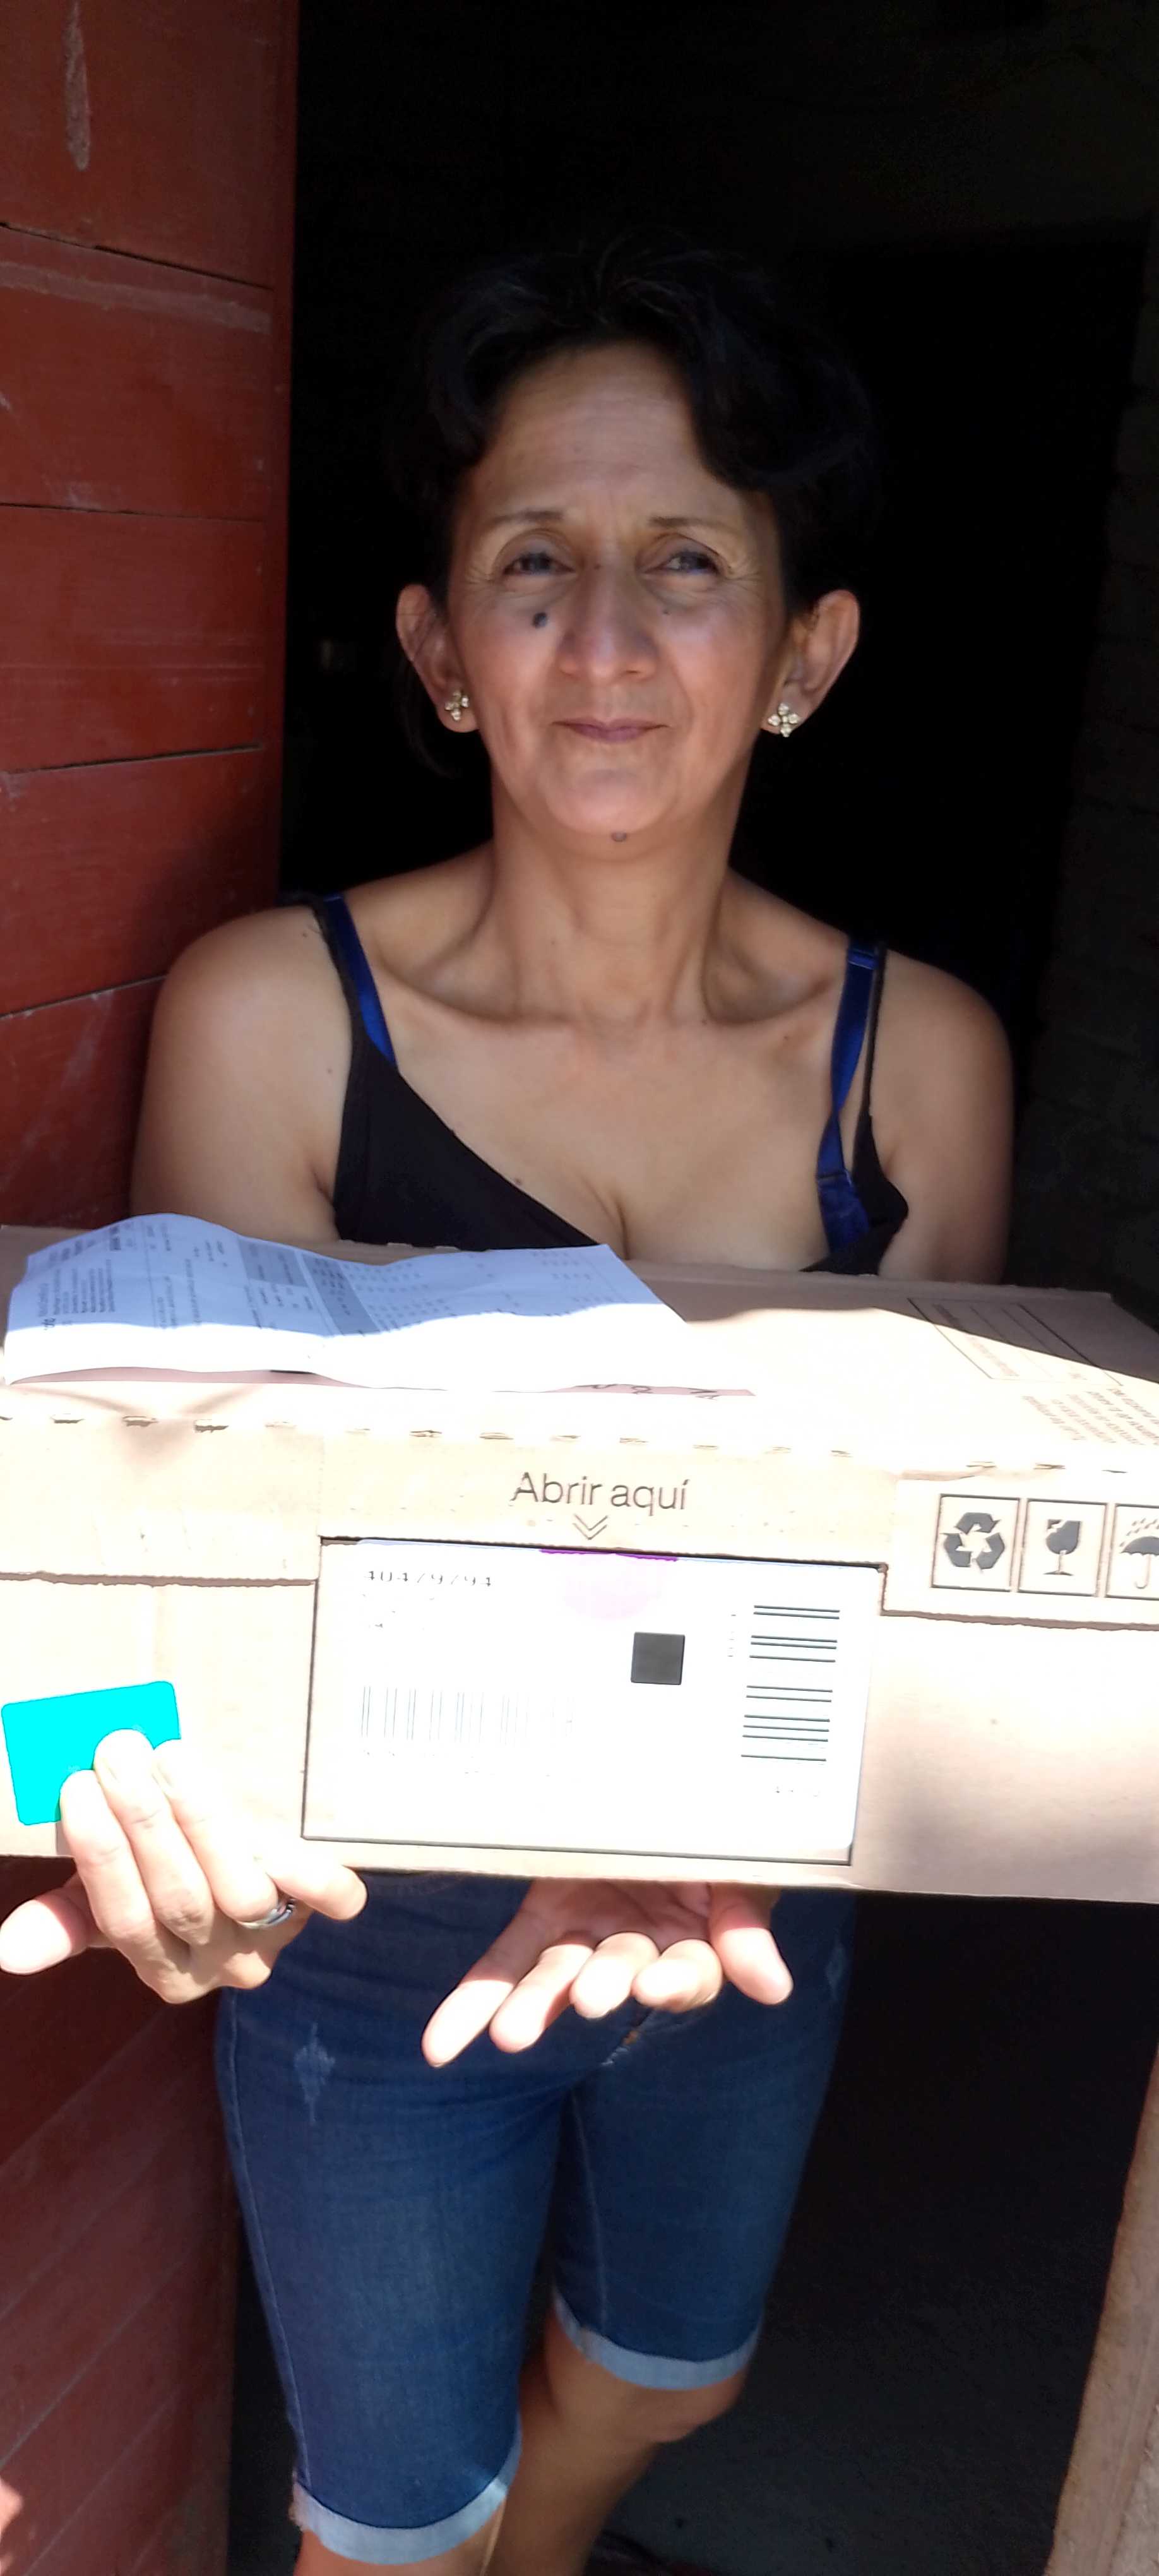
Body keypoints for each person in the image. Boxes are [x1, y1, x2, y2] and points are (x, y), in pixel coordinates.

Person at [0, 242, 1011, 2576]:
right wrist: (112, 1789)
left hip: (738, 1885)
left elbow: (918, 1561)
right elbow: (160, 1542)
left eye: (688, 565)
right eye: (533, 565)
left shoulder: (913, 1063)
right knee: (390, 2528)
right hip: (366, 1918)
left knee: (667, 2378)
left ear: (805, 654)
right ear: (443, 650)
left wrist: (700, 1817)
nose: (605, 640)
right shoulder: (280, 1019)